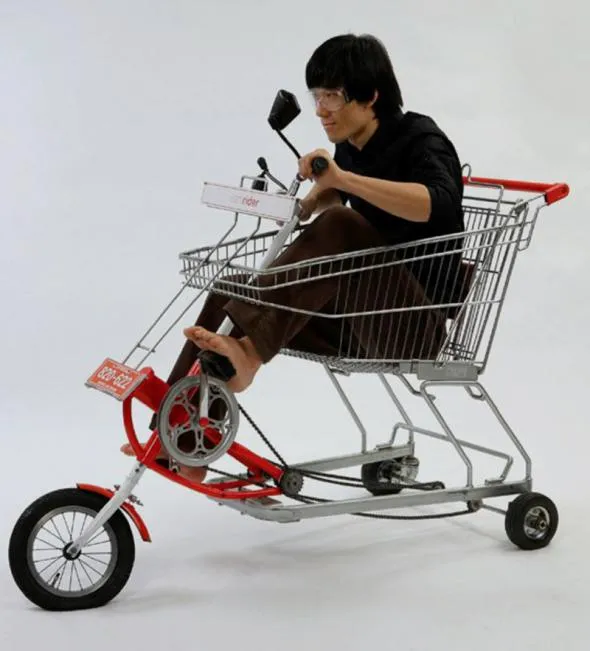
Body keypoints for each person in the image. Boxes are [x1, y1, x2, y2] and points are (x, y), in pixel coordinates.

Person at [122, 33, 466, 482]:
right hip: (354, 320)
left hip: (409, 327)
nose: (321, 109)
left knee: (342, 225)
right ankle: (177, 442)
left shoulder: (421, 139)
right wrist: (310, 200)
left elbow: (435, 204)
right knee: (231, 291)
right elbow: (340, 200)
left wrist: (343, 182)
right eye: (316, 96)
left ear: (371, 96)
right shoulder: (350, 147)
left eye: (333, 96)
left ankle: (250, 354)